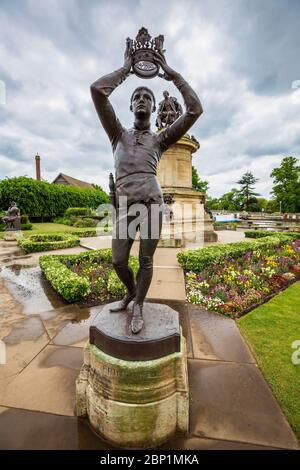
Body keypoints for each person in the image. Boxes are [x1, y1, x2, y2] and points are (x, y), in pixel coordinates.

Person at [91, 39, 203, 333]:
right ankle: (130, 292)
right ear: (131, 105)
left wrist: (171, 73)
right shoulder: (117, 134)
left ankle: (138, 304)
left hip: (152, 204)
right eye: (137, 96)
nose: (142, 99)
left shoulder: (160, 139)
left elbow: (194, 110)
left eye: (147, 97)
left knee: (145, 259)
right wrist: (127, 69)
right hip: (126, 206)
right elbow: (97, 91)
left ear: (154, 108)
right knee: (118, 260)